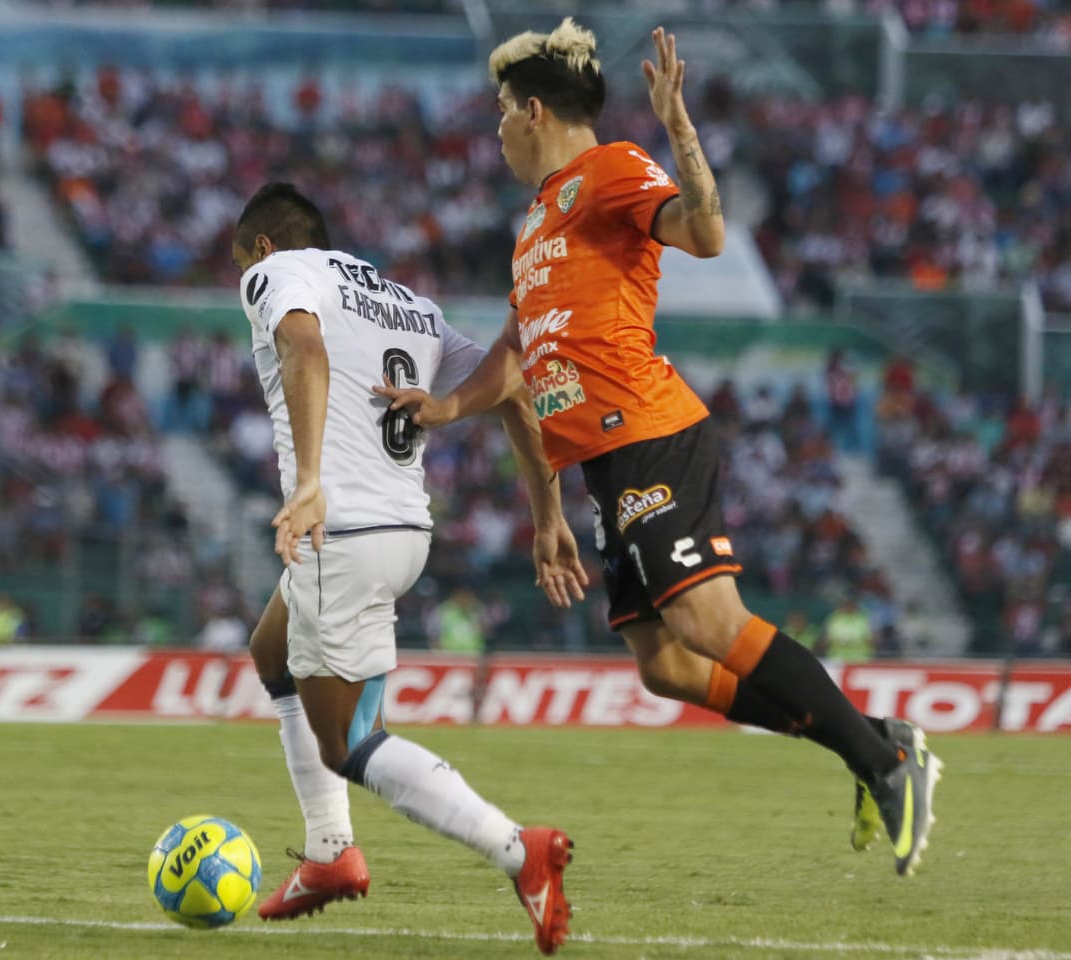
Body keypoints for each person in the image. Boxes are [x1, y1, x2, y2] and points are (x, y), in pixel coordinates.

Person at [376, 20, 941, 877]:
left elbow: (704, 233)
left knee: (705, 621)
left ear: (533, 111)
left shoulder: (612, 170)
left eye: (499, 111)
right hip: (605, 462)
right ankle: (873, 740)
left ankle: (884, 762)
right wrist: (446, 407)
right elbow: (516, 358)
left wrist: (680, 130)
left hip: (649, 432)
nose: (493, 130)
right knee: (667, 666)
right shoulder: (534, 226)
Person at [234, 182, 584, 954]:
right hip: (402, 533)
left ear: (264, 248)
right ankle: (329, 855)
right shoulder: (407, 305)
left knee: (350, 744)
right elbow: (513, 388)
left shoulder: (276, 272)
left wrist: (309, 483)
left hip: (343, 533)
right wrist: (549, 516)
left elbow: (304, 346)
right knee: (271, 650)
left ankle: (518, 850)